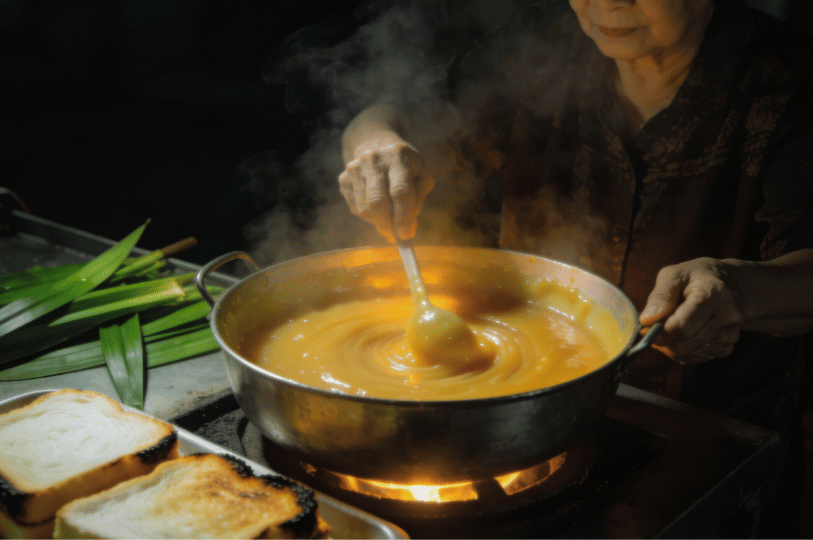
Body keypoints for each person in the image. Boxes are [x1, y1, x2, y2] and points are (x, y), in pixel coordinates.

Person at [336, 0, 813, 535]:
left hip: (709, 430)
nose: (607, 2)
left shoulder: (790, 81)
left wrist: (739, 290)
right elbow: (395, 112)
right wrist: (375, 142)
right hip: (521, 416)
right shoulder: (538, 47)